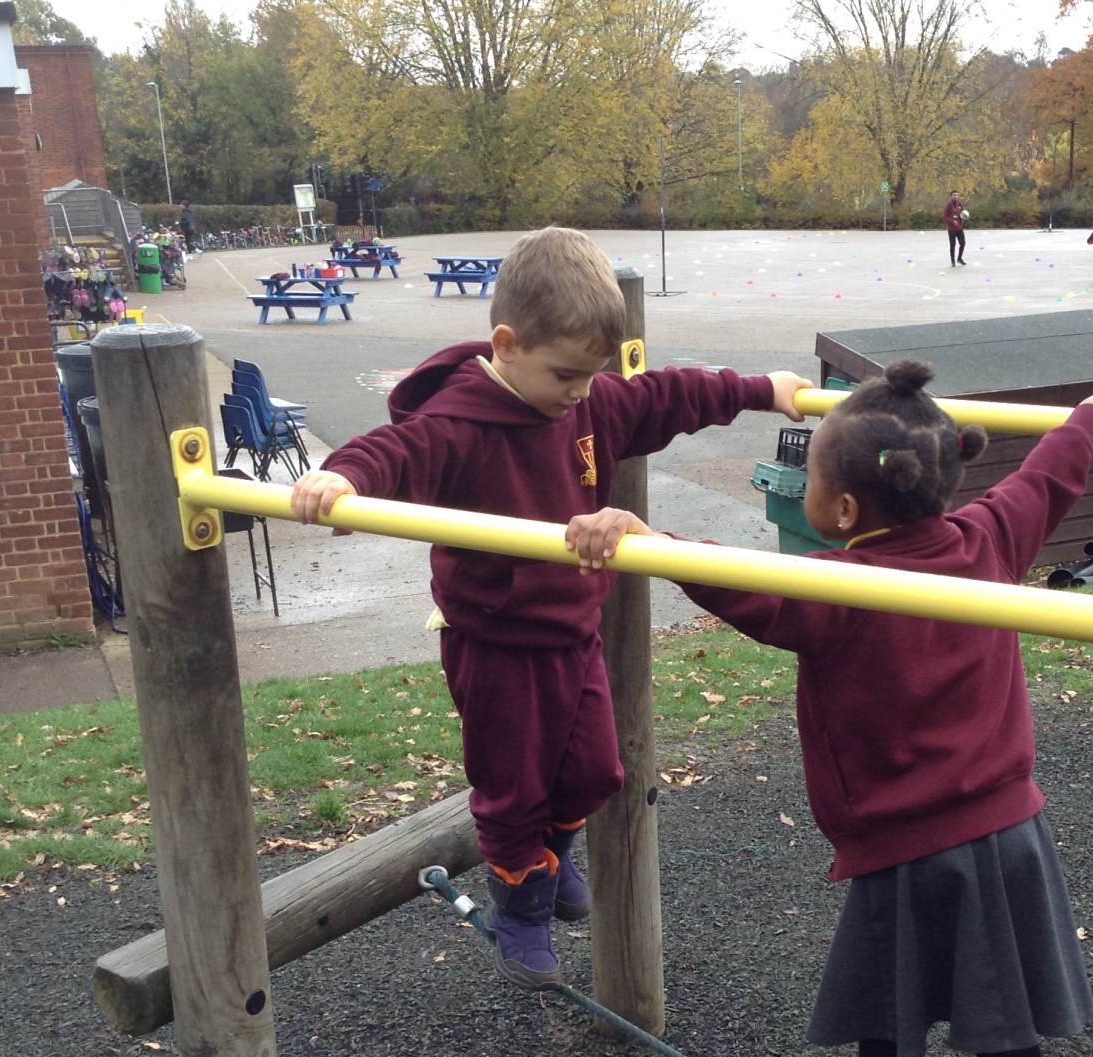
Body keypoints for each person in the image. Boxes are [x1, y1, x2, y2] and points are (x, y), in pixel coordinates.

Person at [564, 361, 1093, 1057]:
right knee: (1009, 1026)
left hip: (903, 849)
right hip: (1009, 836)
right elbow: (1047, 476)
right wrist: (1088, 414)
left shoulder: (836, 589)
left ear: (840, 511)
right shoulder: (991, 537)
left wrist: (648, 536)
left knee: (890, 1010)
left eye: (809, 480)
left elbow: (727, 579)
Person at [289, 226, 812, 990]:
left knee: (597, 771)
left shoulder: (586, 400)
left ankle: (547, 860)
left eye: (591, 375)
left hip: (572, 632)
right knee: (512, 788)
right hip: (493, 640)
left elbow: (669, 394)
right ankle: (521, 905)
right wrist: (340, 478)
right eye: (566, 374)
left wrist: (762, 389)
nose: (579, 392)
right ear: (506, 345)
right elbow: (394, 452)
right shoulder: (461, 422)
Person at [943, 191, 969, 267]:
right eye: (954, 195)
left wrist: (965, 217)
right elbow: (945, 216)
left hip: (959, 228)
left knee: (963, 243)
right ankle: (953, 261)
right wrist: (952, 221)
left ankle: (959, 258)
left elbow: (962, 214)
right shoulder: (948, 205)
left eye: (957, 195)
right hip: (951, 229)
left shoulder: (960, 204)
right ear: (951, 196)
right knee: (952, 245)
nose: (955, 196)